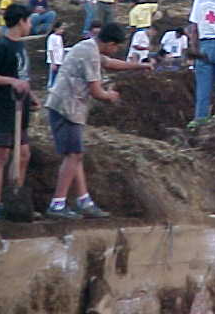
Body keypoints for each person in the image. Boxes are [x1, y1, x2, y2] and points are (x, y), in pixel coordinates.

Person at [45, 22, 152, 219]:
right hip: (67, 108)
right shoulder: (89, 53)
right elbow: (96, 91)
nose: (116, 50)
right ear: (110, 43)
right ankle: (57, 203)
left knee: (75, 154)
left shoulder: (89, 47)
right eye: (116, 47)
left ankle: (84, 200)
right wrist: (110, 95)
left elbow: (110, 63)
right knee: (73, 155)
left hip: (69, 107)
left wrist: (138, 66)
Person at [0, 4, 40, 221]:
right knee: (0, 155)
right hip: (2, 109)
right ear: (21, 21)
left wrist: (31, 96)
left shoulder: (20, 47)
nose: (31, 25)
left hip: (20, 108)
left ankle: (16, 198)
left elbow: (22, 76)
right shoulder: (1, 47)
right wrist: (11, 82)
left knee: (24, 154)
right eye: (29, 21)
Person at [46, 21, 65, 89]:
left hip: (59, 60)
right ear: (55, 28)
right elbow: (50, 50)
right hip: (54, 61)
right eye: (60, 29)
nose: (62, 31)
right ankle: (50, 87)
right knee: (52, 76)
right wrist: (53, 62)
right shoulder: (51, 37)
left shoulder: (60, 37)